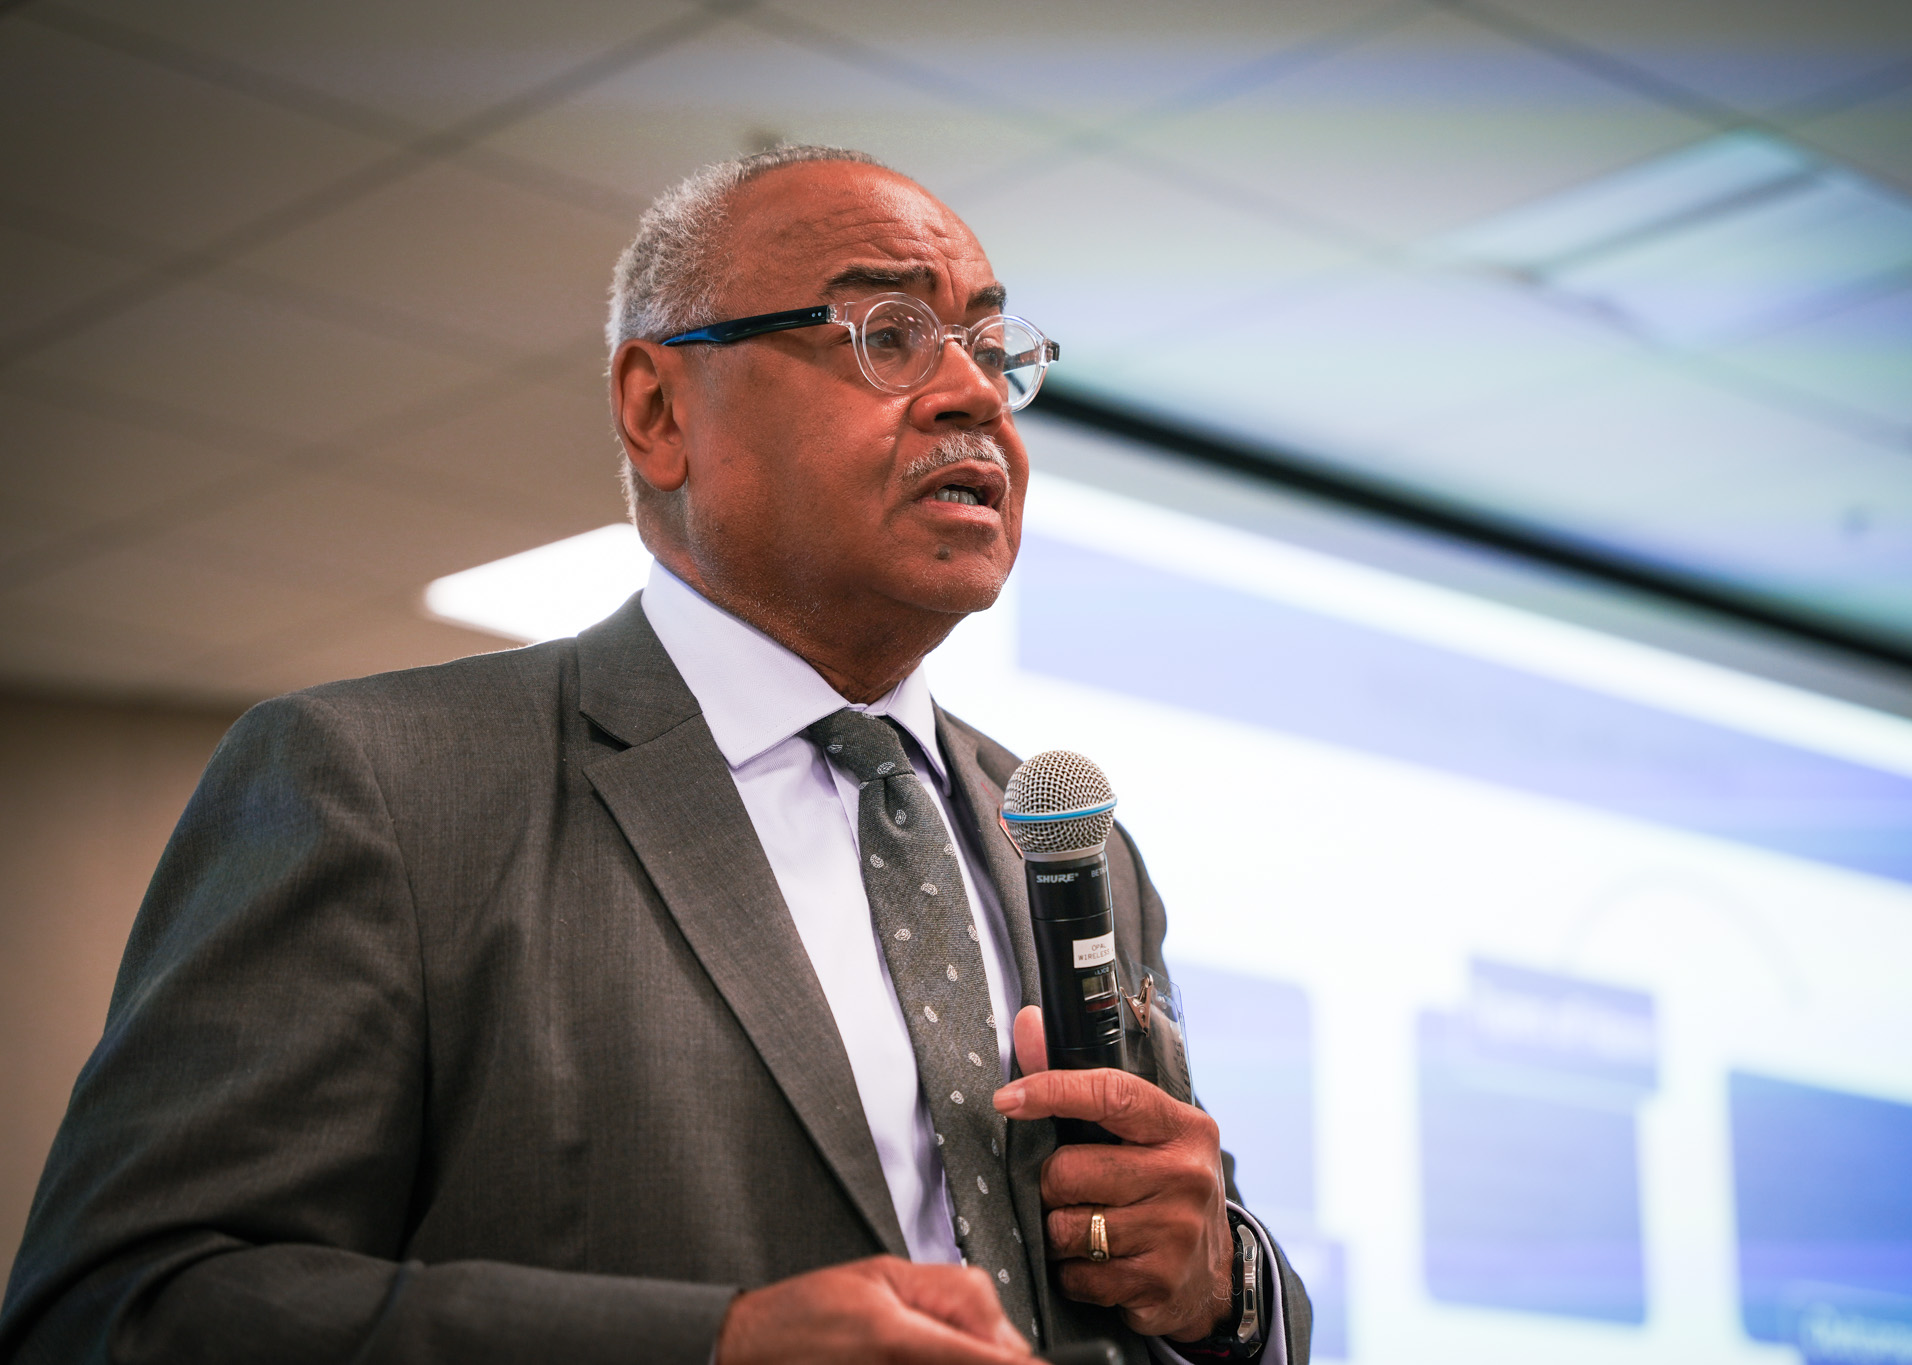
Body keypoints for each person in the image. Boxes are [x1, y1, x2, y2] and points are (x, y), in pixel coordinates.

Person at [0, 145, 1308, 1365]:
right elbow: (119, 1308)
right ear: (658, 408)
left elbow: (1216, 1273)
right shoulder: (382, 787)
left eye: (990, 346)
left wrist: (1222, 1286)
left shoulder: (1068, 845)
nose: (973, 392)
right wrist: (713, 1345)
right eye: (888, 333)